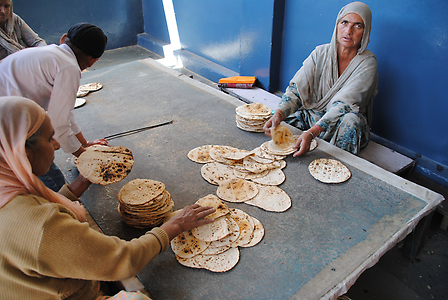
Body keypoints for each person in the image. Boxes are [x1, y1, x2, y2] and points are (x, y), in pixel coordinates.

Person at [0, 96, 217, 299]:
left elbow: (41, 206)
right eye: (50, 139)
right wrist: (175, 225)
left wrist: (82, 181)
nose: (57, 146)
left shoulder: (7, 189)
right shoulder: (42, 225)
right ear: (21, 151)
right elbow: (123, 260)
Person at [0, 22, 109, 191]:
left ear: (64, 39)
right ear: (93, 61)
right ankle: (57, 211)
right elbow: (58, 125)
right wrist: (86, 158)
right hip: (6, 119)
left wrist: (84, 144)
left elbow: (64, 112)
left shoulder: (51, 53)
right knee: (50, 176)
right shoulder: (69, 68)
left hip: (8, 108)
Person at [263, 1, 378, 156]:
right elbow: (296, 91)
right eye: (344, 23)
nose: (348, 31)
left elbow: (345, 104)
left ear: (365, 31)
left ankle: (335, 164)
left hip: (339, 123)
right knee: (277, 120)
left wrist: (312, 132)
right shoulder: (320, 53)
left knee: (352, 120)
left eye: (358, 26)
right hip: (313, 116)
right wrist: (279, 114)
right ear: (337, 25)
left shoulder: (367, 63)